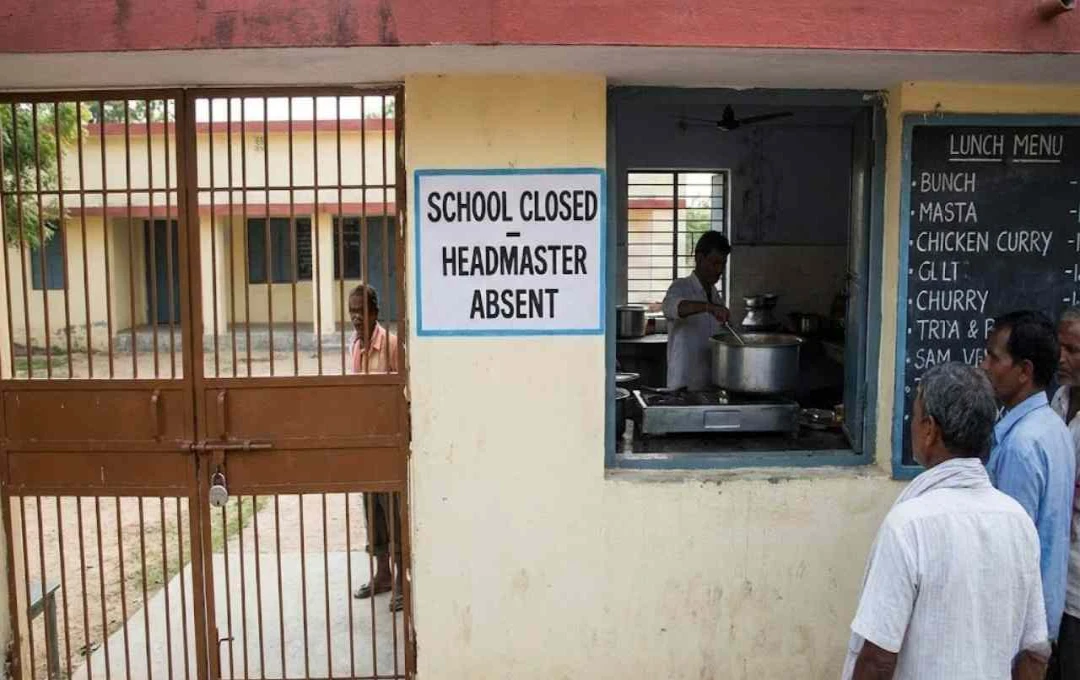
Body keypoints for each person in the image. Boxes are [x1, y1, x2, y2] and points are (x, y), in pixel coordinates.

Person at [843, 362, 1049, 680]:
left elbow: (878, 659)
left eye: (916, 417)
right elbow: (1034, 654)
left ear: (929, 430)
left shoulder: (909, 525)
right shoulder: (1018, 521)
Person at [981, 311, 1076, 644]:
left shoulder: (1021, 446)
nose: (984, 366)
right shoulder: (1052, 425)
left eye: (994, 358)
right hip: (1043, 619)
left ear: (1024, 371)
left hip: (1019, 629)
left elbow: (1012, 553)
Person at [346, 283, 404, 613]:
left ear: (375, 312)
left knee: (393, 511)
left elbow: (402, 390)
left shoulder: (392, 345)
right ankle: (383, 575)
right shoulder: (355, 346)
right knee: (372, 510)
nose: (356, 317)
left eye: (361, 311)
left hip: (388, 440)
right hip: (366, 440)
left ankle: (402, 580)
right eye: (352, 312)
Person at [1048, 308, 1080, 679]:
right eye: (1059, 347)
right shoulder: (1059, 400)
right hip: (1057, 576)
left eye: (1073, 350)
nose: (1061, 358)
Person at [660, 231, 731, 390]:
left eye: (723, 264)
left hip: (710, 385)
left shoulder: (715, 296)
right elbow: (672, 308)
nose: (719, 270)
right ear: (699, 258)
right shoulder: (681, 287)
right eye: (715, 263)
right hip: (683, 386)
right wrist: (709, 307)